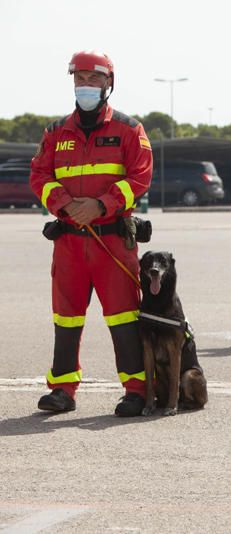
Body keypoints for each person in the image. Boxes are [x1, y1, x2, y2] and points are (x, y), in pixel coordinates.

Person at [29, 51, 153, 416]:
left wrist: (101, 205)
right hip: (68, 240)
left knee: (124, 316)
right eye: (79, 78)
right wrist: (66, 204)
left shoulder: (129, 129)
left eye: (93, 79)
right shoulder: (55, 132)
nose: (85, 85)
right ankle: (62, 390)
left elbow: (140, 177)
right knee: (66, 317)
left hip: (112, 239)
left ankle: (136, 390)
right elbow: (39, 175)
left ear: (109, 84)